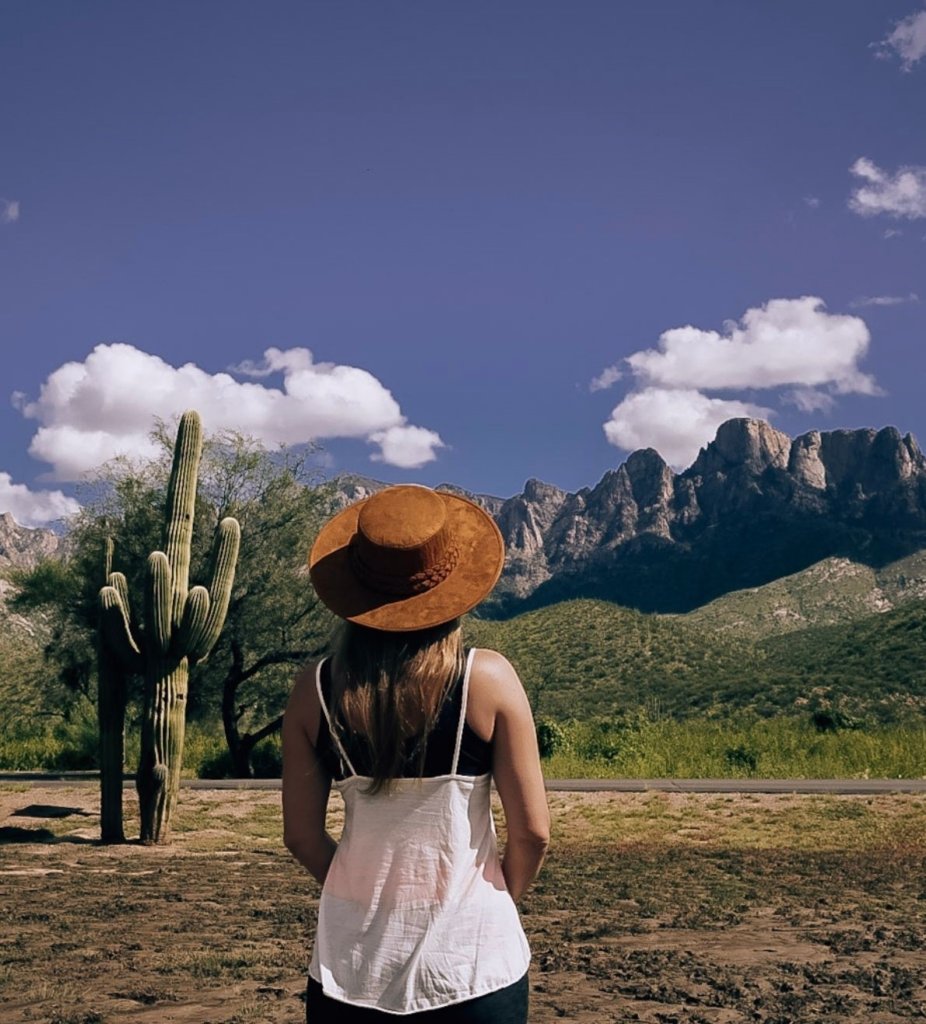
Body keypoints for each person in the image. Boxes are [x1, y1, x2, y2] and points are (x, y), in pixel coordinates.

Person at [282, 484, 550, 1022]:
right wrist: (491, 903)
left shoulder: (313, 691)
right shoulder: (487, 678)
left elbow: (302, 837)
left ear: (355, 589)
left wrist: (365, 896)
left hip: (350, 971)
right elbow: (533, 833)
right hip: (474, 968)